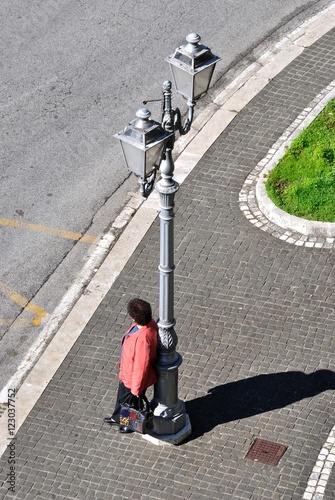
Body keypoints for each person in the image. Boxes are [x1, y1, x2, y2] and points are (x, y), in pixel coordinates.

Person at [104, 298, 158, 434]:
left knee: (130, 403)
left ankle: (127, 424)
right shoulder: (147, 325)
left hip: (132, 378)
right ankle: (117, 418)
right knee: (122, 399)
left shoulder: (142, 340)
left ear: (134, 317)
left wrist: (136, 389)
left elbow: (141, 366)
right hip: (127, 373)